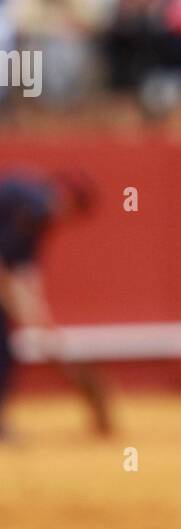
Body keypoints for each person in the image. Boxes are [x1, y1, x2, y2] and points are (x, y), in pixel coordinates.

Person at [0, 169, 106, 440]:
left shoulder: (37, 212)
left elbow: (22, 270)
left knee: (4, 348)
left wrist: (43, 325)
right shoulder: (34, 207)